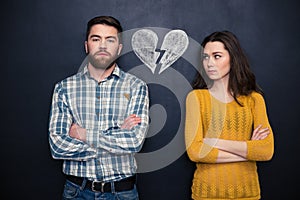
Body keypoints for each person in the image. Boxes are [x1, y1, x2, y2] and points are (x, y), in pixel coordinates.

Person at [48, 16, 149, 200]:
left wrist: (84, 134)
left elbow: (134, 141)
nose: (103, 46)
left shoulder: (136, 86)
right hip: (77, 191)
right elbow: (57, 146)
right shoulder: (64, 88)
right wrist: (116, 135)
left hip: (121, 192)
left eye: (110, 40)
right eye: (96, 39)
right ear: (87, 45)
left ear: (119, 48)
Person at [185, 30, 274, 200]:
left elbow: (266, 150)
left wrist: (214, 141)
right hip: (206, 194)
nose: (209, 63)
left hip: (247, 193)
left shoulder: (254, 100)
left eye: (216, 56)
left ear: (232, 58)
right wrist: (248, 149)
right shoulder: (196, 98)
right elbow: (196, 152)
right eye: (205, 57)